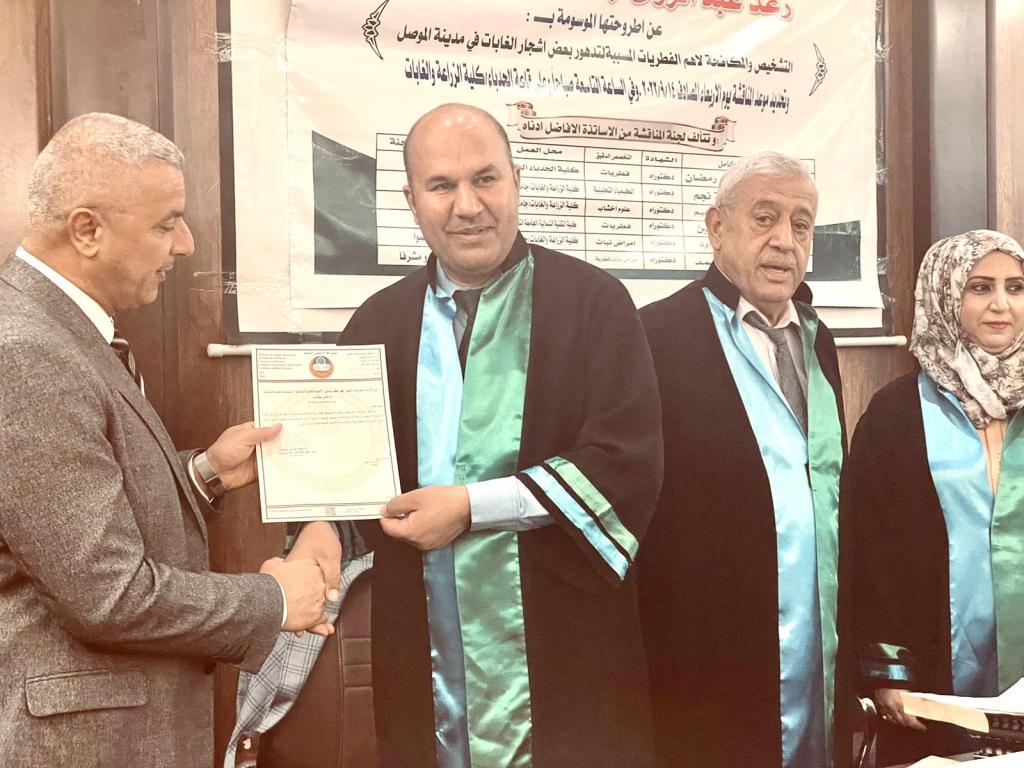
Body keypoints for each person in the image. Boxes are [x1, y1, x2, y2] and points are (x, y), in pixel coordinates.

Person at [288, 103, 663, 768]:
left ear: (516, 181)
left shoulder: (594, 304)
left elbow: (625, 464)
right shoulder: (378, 322)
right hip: (423, 650)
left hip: (565, 651)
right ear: (412, 201)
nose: (468, 206)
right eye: (442, 186)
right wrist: (321, 526)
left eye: (485, 178)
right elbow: (345, 474)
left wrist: (470, 508)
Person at [0, 112, 330, 768]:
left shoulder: (57, 329)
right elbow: (108, 595)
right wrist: (273, 601)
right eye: (165, 223)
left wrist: (202, 473)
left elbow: (63, 510)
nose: (185, 244)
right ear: (87, 230)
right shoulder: (28, 351)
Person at [638, 151, 850, 767]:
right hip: (708, 642)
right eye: (765, 218)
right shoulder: (656, 335)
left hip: (817, 630)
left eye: (801, 224)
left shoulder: (818, 339)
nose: (785, 241)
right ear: (716, 227)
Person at [847, 229, 1024, 763]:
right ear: (944, 296)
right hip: (931, 674)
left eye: (1015, 287)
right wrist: (887, 672)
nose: (1001, 304)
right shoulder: (898, 413)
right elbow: (869, 552)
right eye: (979, 287)